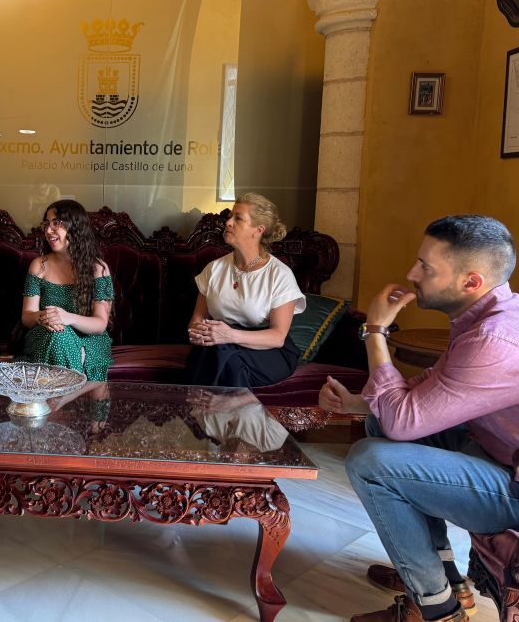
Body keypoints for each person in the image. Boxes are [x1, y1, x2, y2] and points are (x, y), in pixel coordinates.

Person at [317, 215, 519, 622]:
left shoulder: (493, 338)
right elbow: (428, 390)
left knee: (371, 461)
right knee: (380, 423)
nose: (412, 274)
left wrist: (375, 331)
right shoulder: (488, 317)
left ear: (471, 281)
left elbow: (403, 422)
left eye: (426, 267)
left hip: (513, 489)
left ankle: (436, 609)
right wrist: (358, 403)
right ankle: (447, 580)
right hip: (497, 458)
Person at [183, 192, 306, 387]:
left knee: (223, 356)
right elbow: (196, 320)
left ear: (258, 230)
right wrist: (199, 333)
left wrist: (229, 335)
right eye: (230, 217)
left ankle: (196, 403)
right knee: (216, 353)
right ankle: (232, 405)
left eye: (238, 218)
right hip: (218, 345)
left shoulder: (279, 274)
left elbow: (277, 337)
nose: (228, 223)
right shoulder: (214, 269)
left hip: (267, 352)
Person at [20, 199, 114, 380]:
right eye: (47, 224)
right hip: (46, 333)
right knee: (58, 337)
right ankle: (69, 393)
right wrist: (47, 317)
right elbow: (27, 316)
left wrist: (66, 318)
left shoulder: (98, 269)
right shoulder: (38, 266)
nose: (48, 230)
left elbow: (100, 324)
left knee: (61, 338)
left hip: (88, 339)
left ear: (75, 226)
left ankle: (56, 394)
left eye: (57, 223)